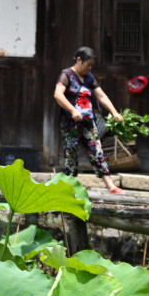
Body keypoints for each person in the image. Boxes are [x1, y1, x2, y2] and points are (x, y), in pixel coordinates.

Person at [53, 46, 126, 194]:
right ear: (79, 60)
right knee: (71, 155)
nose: (90, 68)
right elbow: (58, 95)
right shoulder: (66, 75)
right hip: (70, 123)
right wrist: (73, 110)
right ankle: (67, 189)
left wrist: (114, 112)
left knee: (96, 151)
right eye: (88, 64)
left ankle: (111, 186)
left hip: (88, 121)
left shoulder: (89, 77)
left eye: (92, 65)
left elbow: (101, 96)